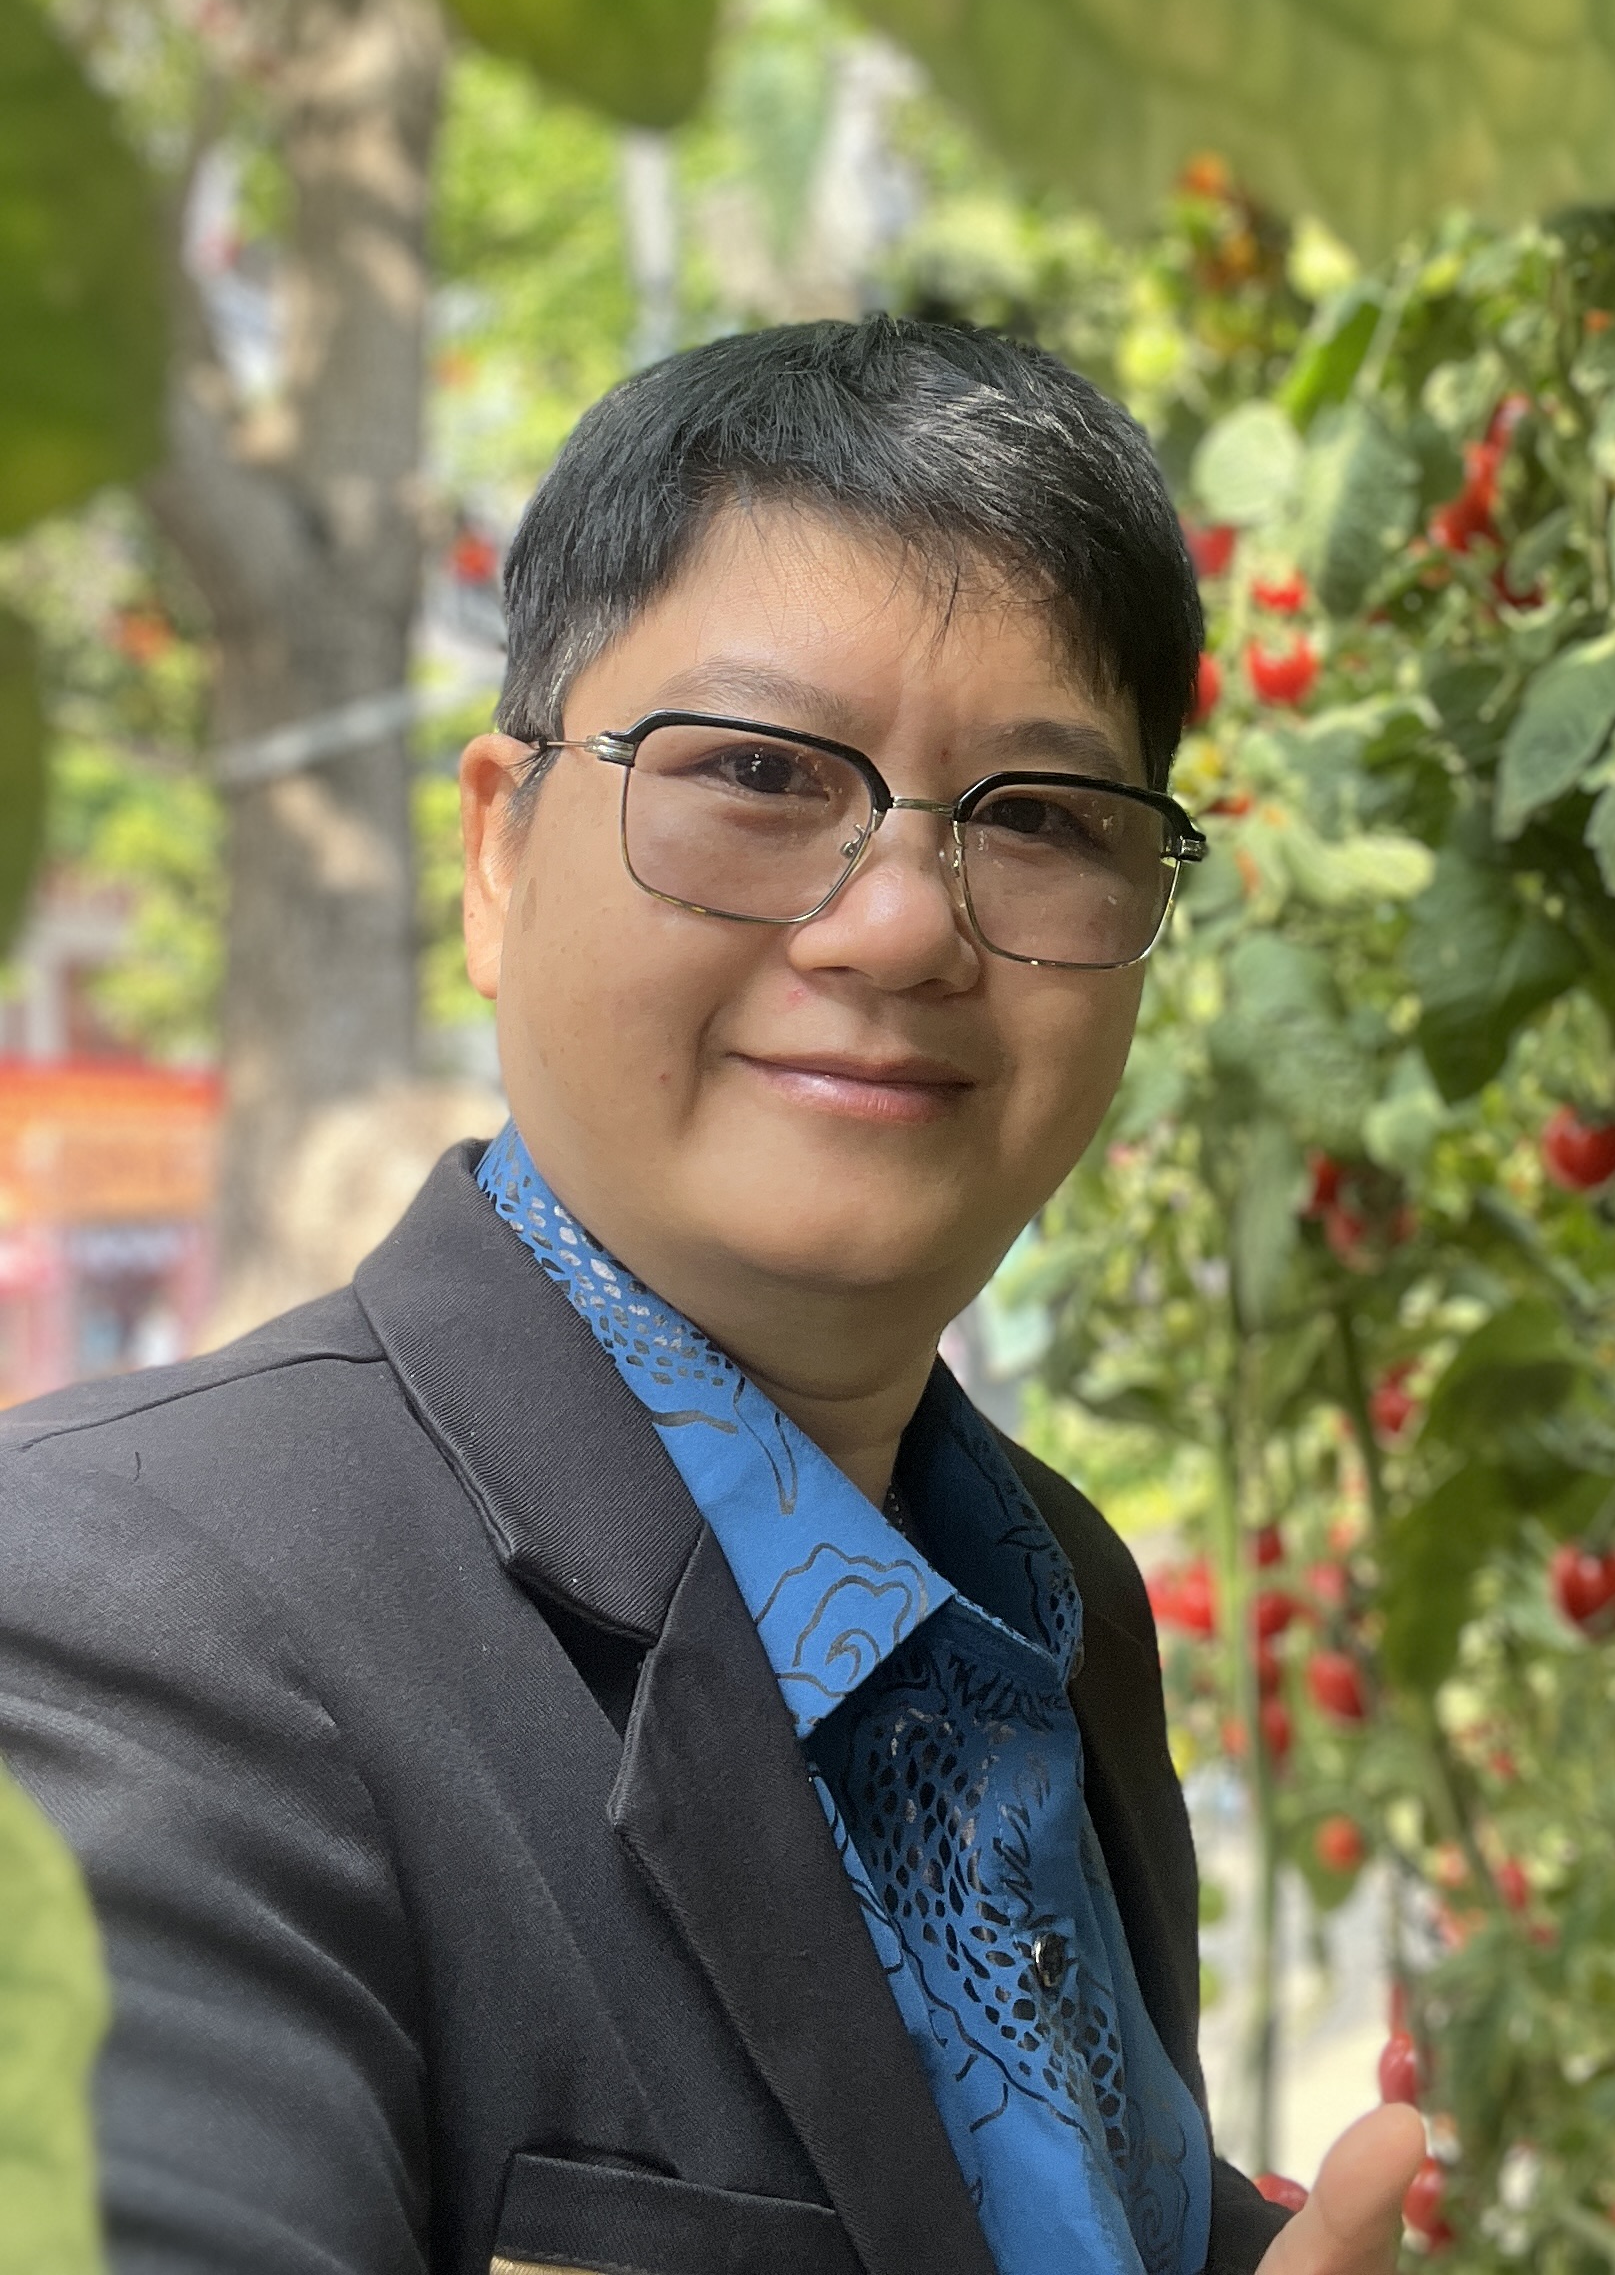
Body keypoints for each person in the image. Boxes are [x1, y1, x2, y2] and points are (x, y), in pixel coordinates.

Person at [0, 318, 1425, 2275]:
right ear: (498, 853)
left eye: (1038, 816)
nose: (900, 924)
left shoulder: (1055, 1595)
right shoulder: (111, 1621)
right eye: (756, 772)